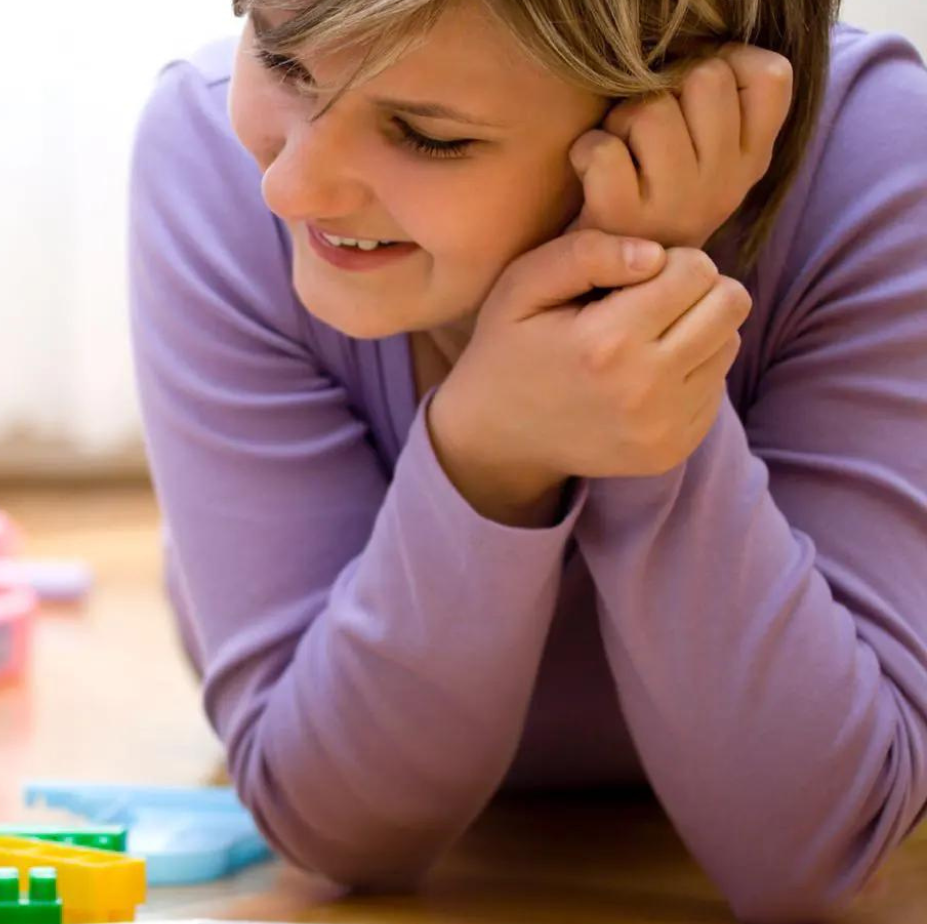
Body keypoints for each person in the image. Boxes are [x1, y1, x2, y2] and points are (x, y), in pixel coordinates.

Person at [128, 1, 927, 920]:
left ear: (676, 106)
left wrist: (631, 316)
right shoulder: (207, 158)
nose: (291, 189)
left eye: (426, 135)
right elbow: (335, 823)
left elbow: (811, 844)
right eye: (283, 61)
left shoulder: (874, 155)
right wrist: (486, 448)